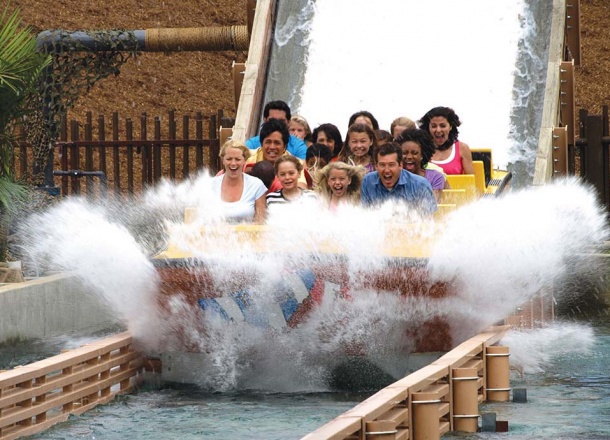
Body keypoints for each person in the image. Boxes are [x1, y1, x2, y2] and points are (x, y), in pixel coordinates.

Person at [361, 142, 436, 215]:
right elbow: (366, 215)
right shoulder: (368, 181)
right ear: (376, 166)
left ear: (400, 165)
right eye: (382, 165)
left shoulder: (421, 185)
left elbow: (428, 220)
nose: (387, 170)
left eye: (391, 165)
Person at [211, 139, 267, 223]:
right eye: (229, 159)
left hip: (248, 235)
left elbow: (261, 223)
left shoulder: (256, 185)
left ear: (244, 160)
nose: (233, 163)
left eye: (238, 159)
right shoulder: (210, 185)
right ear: (223, 160)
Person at [246, 118, 308, 189]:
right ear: (261, 144)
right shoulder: (248, 159)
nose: (272, 147)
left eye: (277, 143)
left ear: (284, 147)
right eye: (268, 142)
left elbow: (302, 189)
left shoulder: (296, 163)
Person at [395, 128, 449, 202]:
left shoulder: (435, 177)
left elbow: (431, 205)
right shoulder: (393, 176)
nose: (409, 157)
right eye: (404, 153)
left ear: (422, 155)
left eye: (414, 153)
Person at [419, 106, 474, 175]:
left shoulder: (463, 148)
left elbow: (471, 181)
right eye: (434, 126)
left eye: (443, 126)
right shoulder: (420, 148)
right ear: (428, 128)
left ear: (450, 126)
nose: (438, 130)